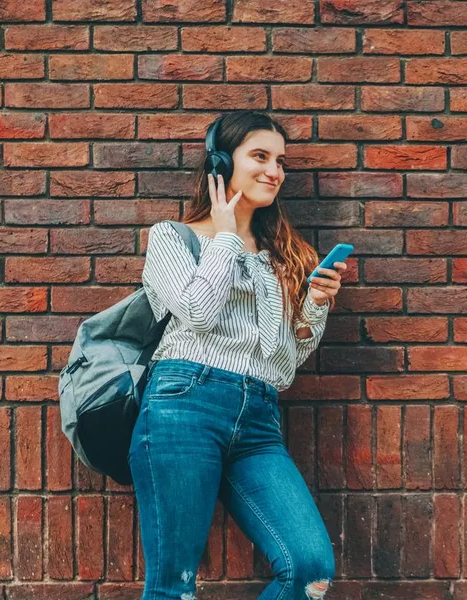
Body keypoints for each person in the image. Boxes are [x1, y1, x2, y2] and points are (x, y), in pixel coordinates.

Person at [129, 111, 344, 600]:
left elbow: (283, 366)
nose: (276, 171)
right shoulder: (172, 237)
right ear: (222, 163)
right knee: (173, 584)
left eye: (281, 161)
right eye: (261, 157)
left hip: (259, 419)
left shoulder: (276, 259)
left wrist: (314, 305)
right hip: (184, 406)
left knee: (308, 567)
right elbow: (198, 313)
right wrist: (226, 236)